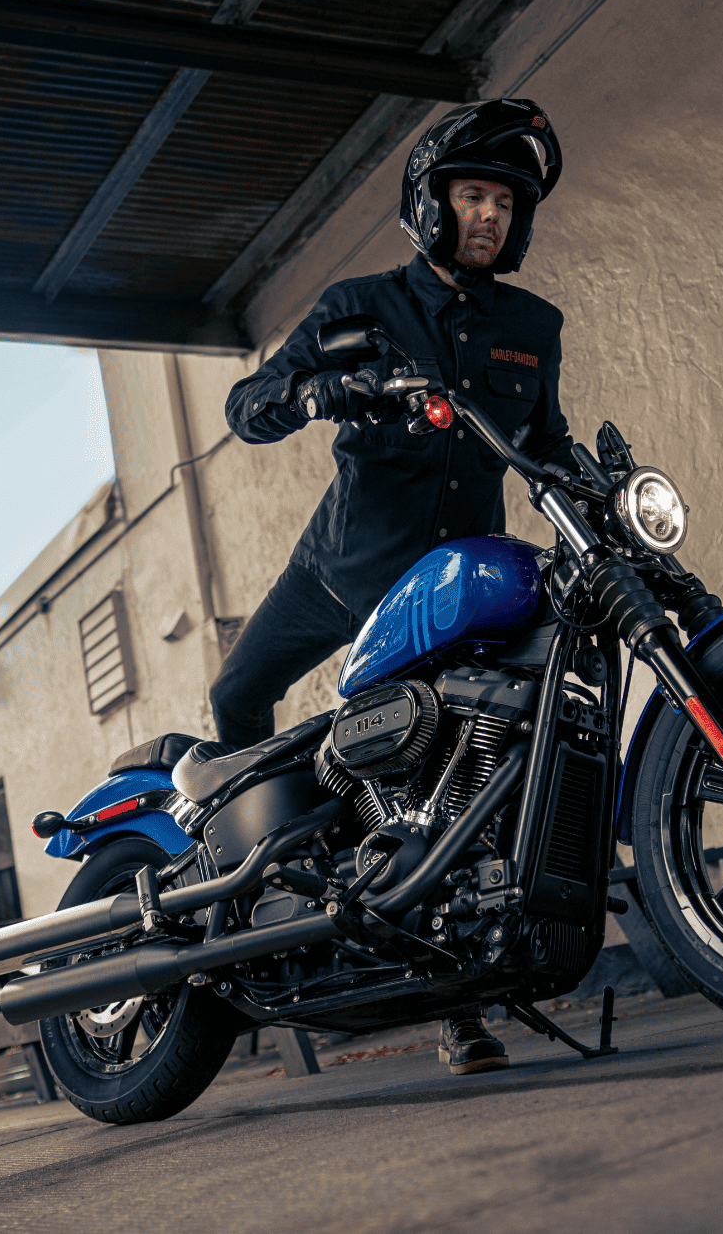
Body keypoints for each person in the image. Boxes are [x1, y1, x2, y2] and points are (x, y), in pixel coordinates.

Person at [214, 98, 578, 1076]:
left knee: (464, 787)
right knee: (233, 696)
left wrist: (596, 489)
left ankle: (460, 1006)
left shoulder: (531, 327)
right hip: (342, 572)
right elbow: (246, 407)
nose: (490, 216)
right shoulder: (356, 308)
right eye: (472, 195)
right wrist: (305, 393)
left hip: (454, 593)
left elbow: (546, 447)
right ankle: (259, 887)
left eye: (504, 200)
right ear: (430, 206)